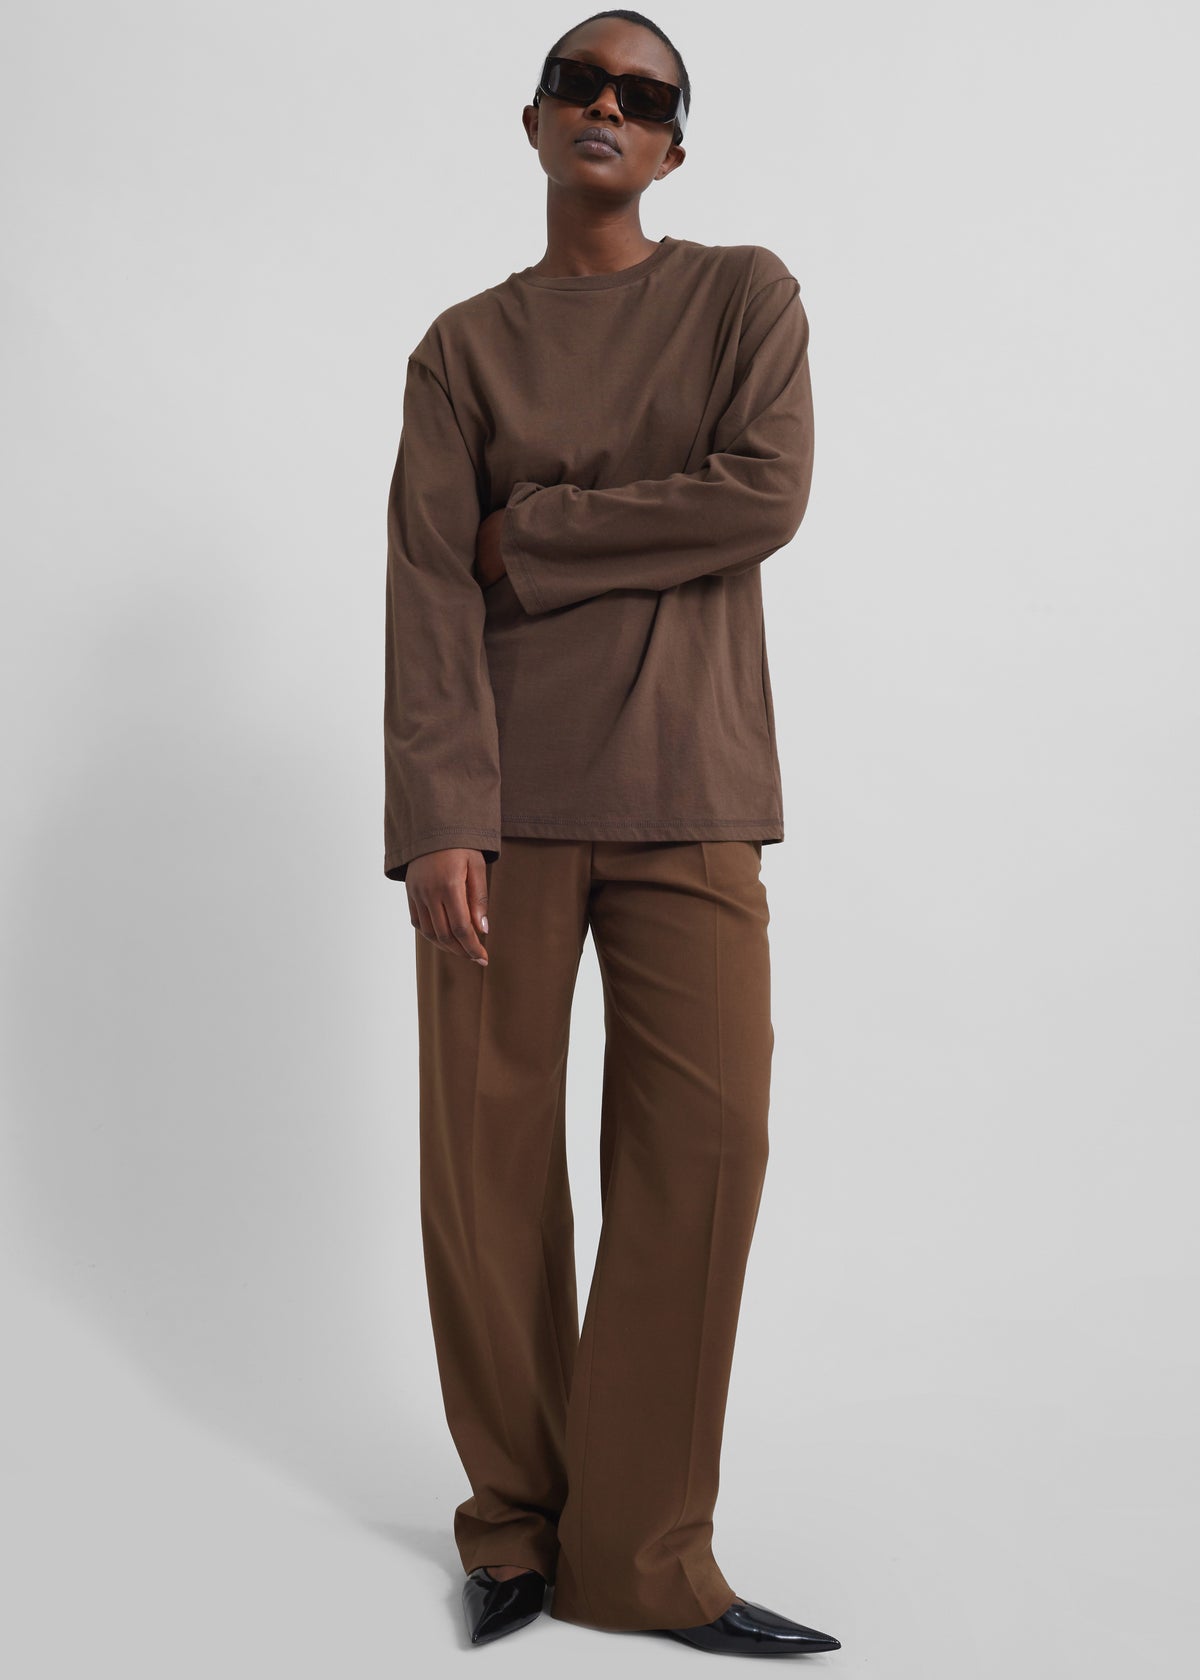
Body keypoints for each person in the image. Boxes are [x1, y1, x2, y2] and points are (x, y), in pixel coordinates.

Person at [383, 8, 840, 1658]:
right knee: (488, 1171)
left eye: (643, 96)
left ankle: (640, 1555)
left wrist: (541, 531)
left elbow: (762, 490)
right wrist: (439, 817)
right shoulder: (462, 351)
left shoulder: (740, 297)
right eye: (578, 83)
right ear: (533, 123)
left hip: (692, 789)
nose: (606, 106)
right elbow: (430, 586)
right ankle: (515, 1525)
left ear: (672, 148)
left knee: (704, 1157)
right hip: (500, 809)